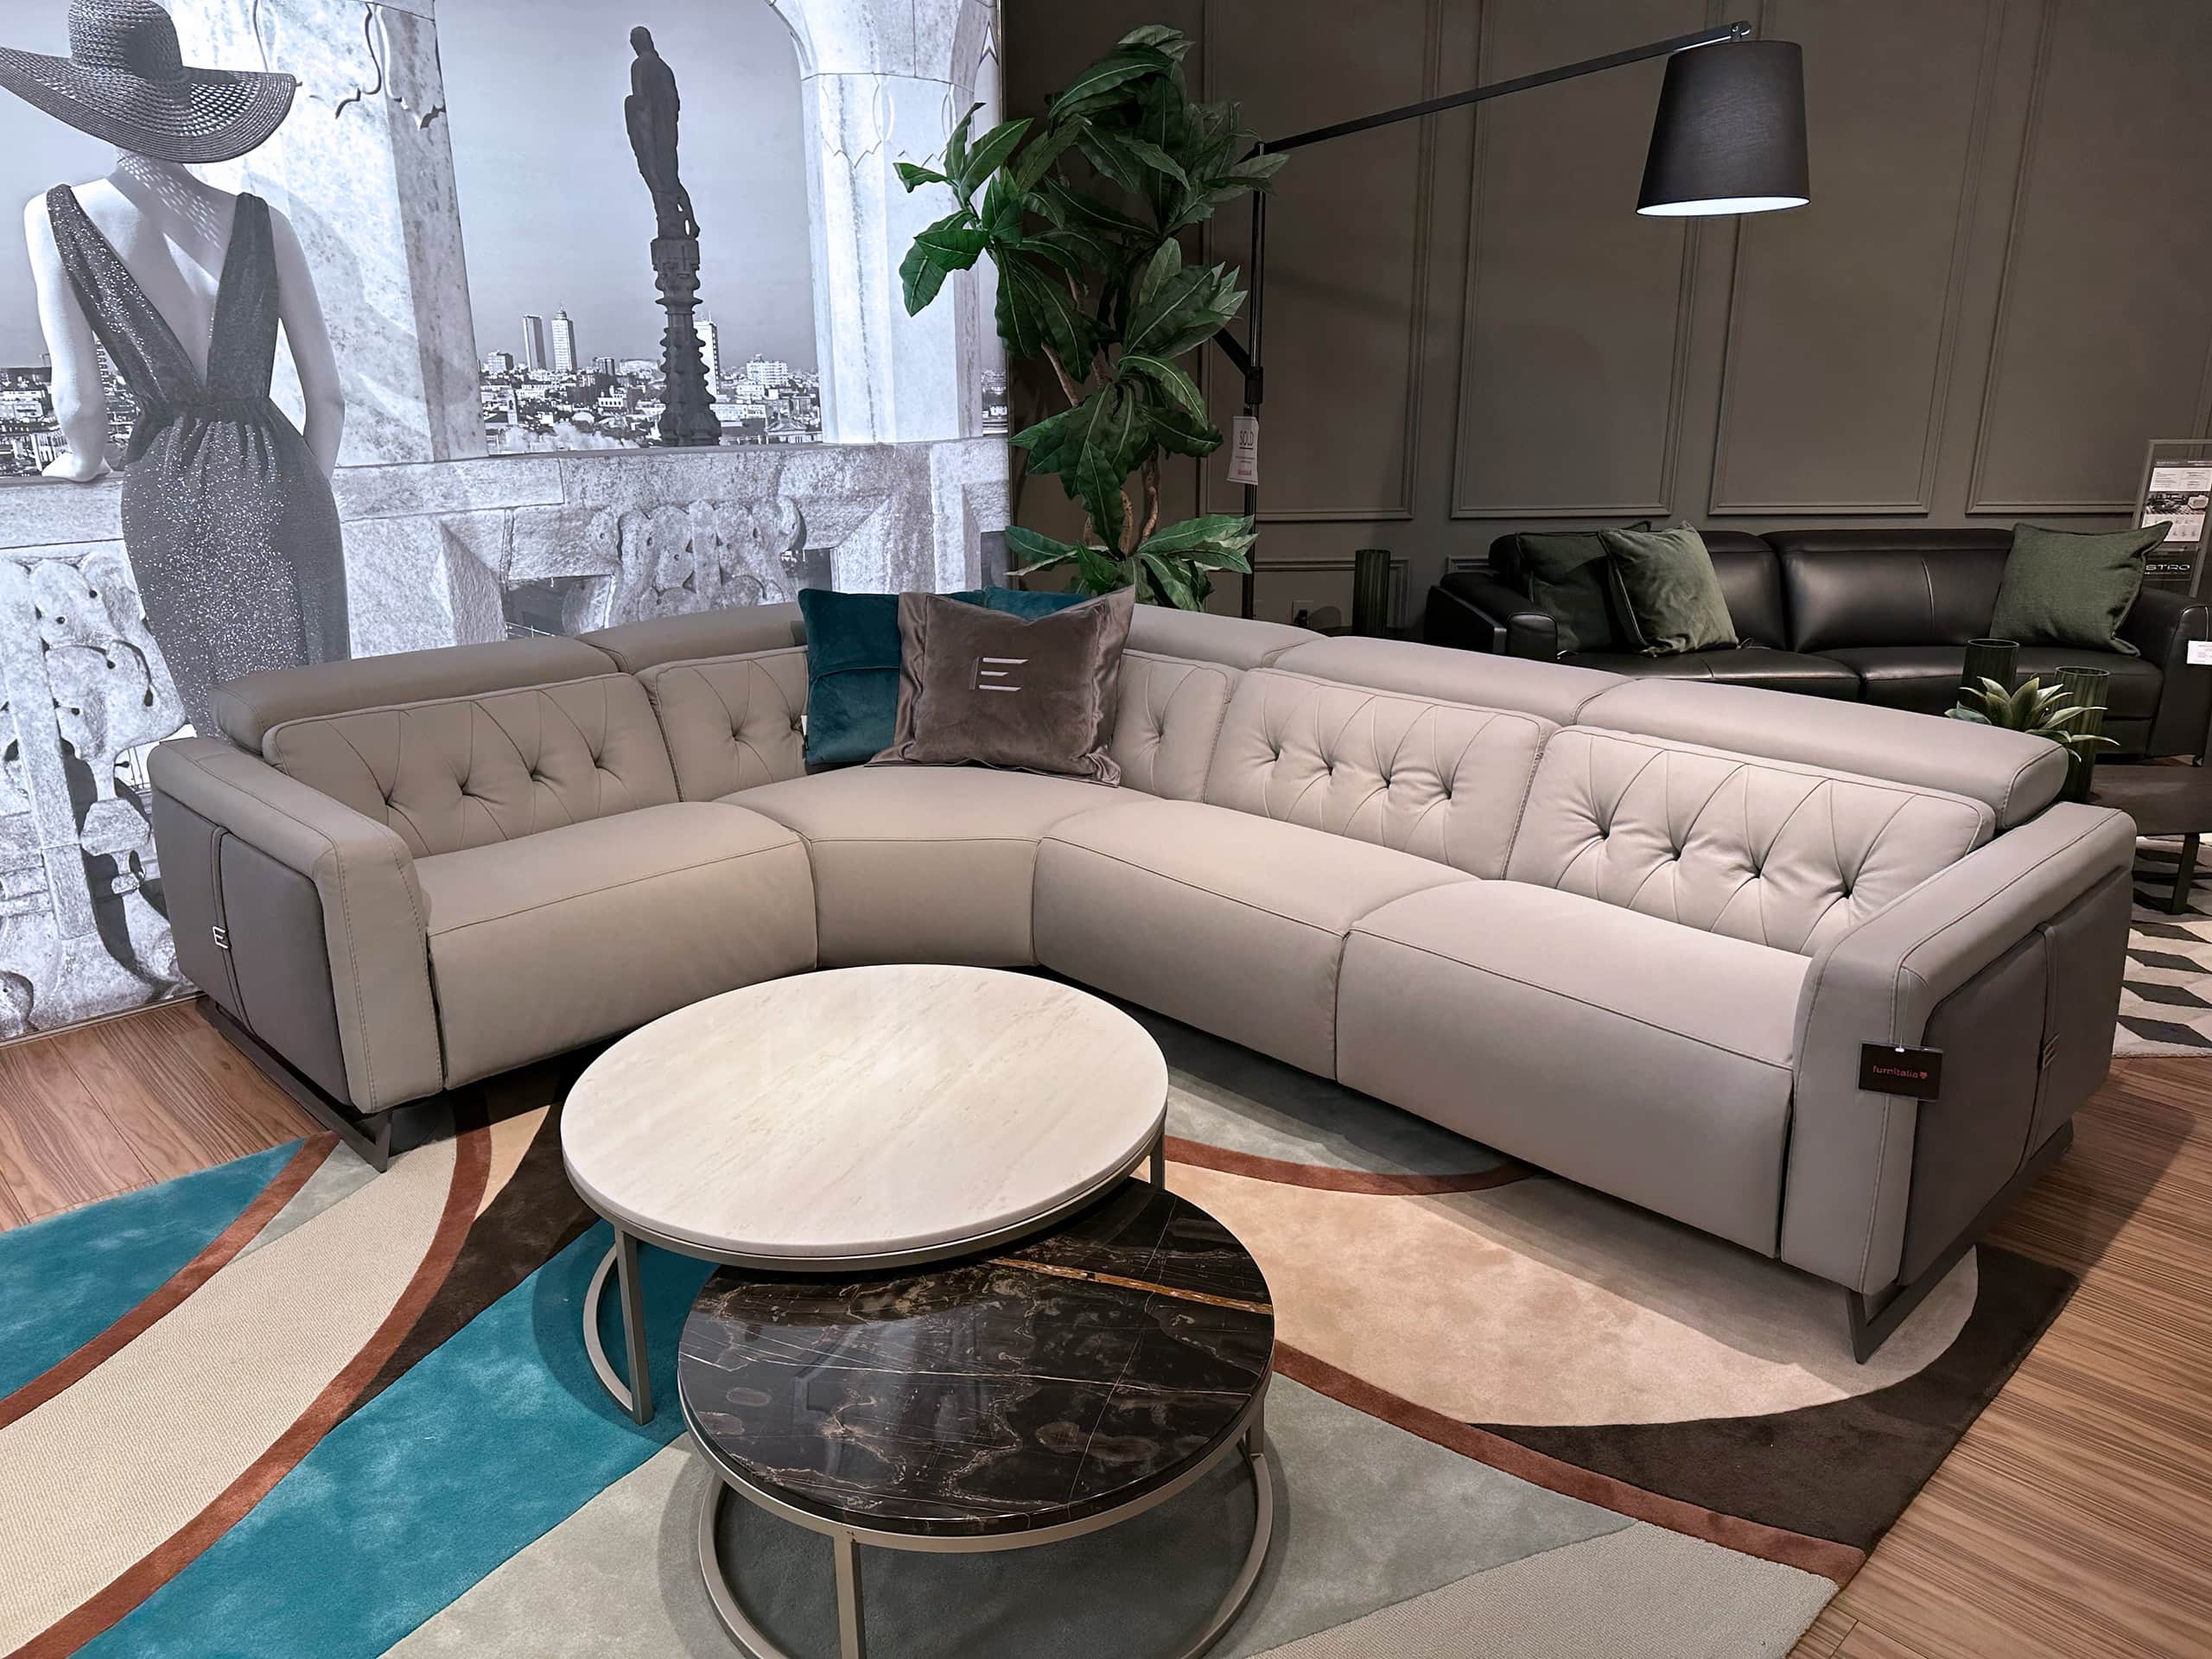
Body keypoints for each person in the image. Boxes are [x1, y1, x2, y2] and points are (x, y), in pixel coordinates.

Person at [3, 0, 349, 734]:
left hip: (172, 492)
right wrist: (297, 493)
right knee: (318, 716)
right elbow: (328, 398)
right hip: (285, 480)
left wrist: (80, 462)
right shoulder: (263, 221)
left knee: (225, 721)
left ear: (89, 102)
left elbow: (81, 406)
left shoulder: (56, 217)